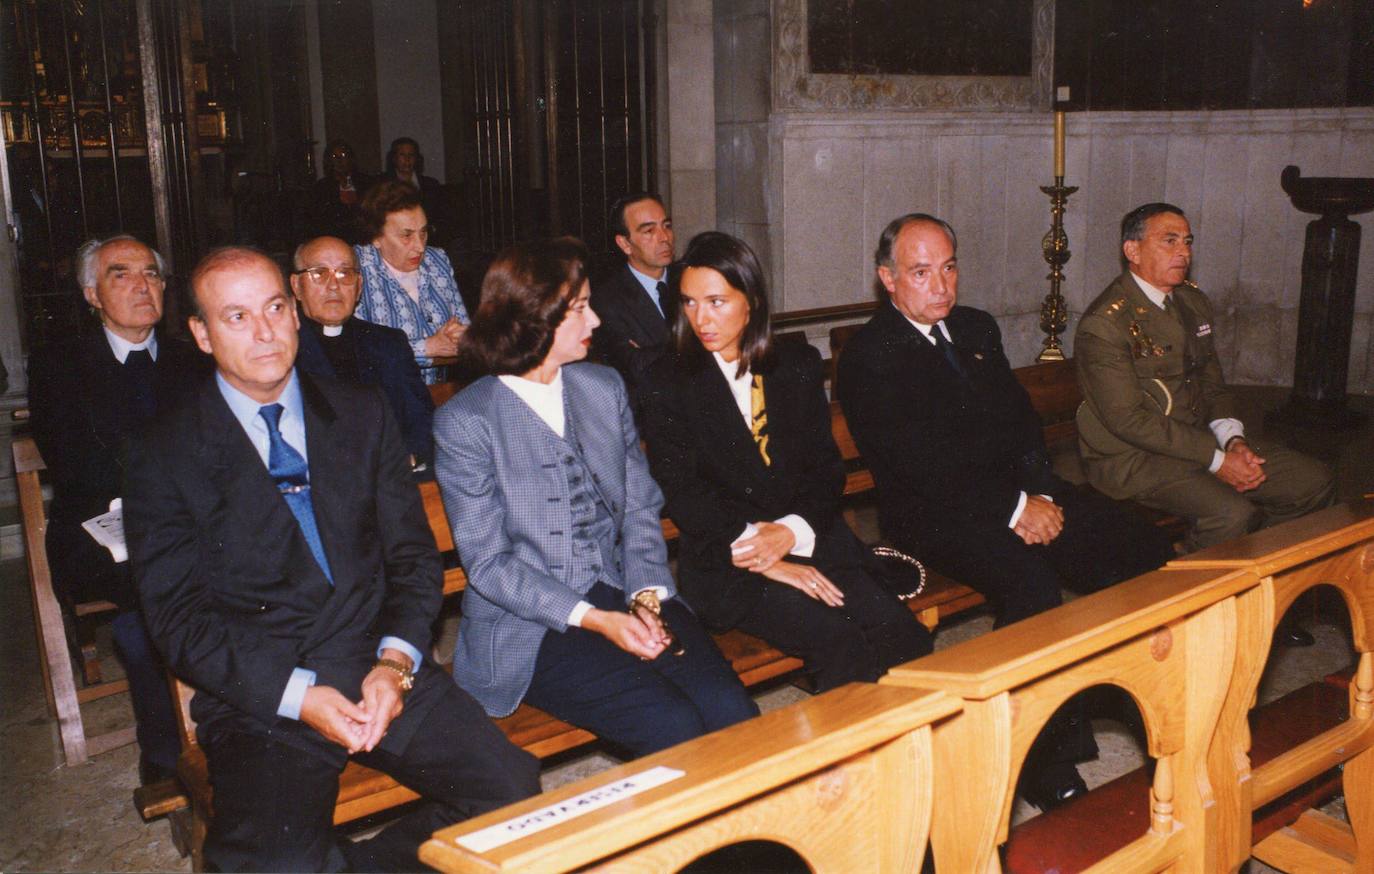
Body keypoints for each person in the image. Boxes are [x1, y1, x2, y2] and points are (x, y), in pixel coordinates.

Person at [124, 247, 539, 872]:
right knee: (277, 862)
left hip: (375, 664)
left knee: (512, 798)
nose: (264, 332)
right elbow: (180, 624)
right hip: (262, 694)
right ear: (202, 335)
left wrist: (395, 664)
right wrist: (300, 697)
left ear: (295, 313)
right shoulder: (165, 451)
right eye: (236, 318)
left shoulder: (360, 411)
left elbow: (412, 560)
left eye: (273, 309)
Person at [835, 213, 1174, 809]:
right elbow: (919, 462)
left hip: (1014, 495)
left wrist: (1041, 493)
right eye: (920, 272)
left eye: (949, 267)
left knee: (1138, 548)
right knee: (1030, 582)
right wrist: (1015, 507)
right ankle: (1037, 759)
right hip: (931, 516)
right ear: (887, 279)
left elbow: (1022, 423)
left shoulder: (973, 328)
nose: (940, 285)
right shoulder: (869, 355)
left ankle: (1127, 701)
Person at [435, 237, 759, 757]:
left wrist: (647, 594)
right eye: (581, 309)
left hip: (622, 589)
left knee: (731, 711)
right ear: (534, 316)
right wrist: (596, 618)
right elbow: (490, 565)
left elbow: (638, 506)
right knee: (670, 724)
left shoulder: (601, 388)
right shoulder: (467, 421)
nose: (597, 322)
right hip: (532, 628)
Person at [639, 232, 932, 691]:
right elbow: (683, 492)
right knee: (837, 640)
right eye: (690, 303)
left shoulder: (794, 363)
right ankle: (841, 761)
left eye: (716, 301)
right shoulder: (668, 380)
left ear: (751, 300)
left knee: (900, 633)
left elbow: (825, 470)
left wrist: (791, 531)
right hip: (730, 562)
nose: (701, 318)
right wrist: (764, 553)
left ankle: (894, 754)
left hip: (808, 537)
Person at [27, 234, 208, 786]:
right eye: (121, 274)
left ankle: (235, 730)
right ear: (91, 293)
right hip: (101, 528)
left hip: (190, 521)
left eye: (152, 274)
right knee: (145, 603)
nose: (142, 286)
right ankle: (166, 756)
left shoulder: (192, 357)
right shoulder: (61, 364)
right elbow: (75, 464)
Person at [1076, 202, 1335, 553]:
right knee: (1231, 514)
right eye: (1169, 241)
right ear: (1132, 250)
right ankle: (1188, 597)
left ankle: (1252, 577)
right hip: (1134, 459)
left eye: (1187, 241)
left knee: (1312, 482)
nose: (1183, 251)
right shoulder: (1106, 323)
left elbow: (1212, 385)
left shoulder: (1191, 302)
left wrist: (1234, 442)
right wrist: (1216, 461)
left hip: (1198, 443)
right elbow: (1129, 420)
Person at [290, 235, 435, 469]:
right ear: (297, 286)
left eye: (344, 273)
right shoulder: (282, 351)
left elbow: (422, 421)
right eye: (319, 273)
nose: (334, 285)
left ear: (358, 286)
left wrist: (407, 457)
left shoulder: (388, 343)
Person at [354, 179, 470, 384]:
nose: (420, 247)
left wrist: (462, 336)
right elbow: (361, 349)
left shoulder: (437, 260)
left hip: (440, 391)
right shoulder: (355, 270)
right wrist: (426, 348)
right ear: (376, 237)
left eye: (423, 233)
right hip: (384, 401)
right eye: (406, 235)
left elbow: (464, 325)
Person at [590, 193, 677, 406]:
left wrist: (653, 351)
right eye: (649, 231)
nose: (664, 237)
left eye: (666, 225)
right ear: (625, 244)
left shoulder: (691, 279)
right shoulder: (607, 300)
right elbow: (635, 368)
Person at [378, 137, 452, 247]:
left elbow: (442, 218)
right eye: (402, 155)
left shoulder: (431, 184)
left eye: (411, 155)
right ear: (394, 158)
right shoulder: (382, 184)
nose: (407, 160)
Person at [307, 139, 372, 243]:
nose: (339, 160)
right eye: (334, 157)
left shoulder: (365, 182)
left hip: (362, 238)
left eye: (343, 155)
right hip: (334, 239)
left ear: (350, 158)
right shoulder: (322, 187)